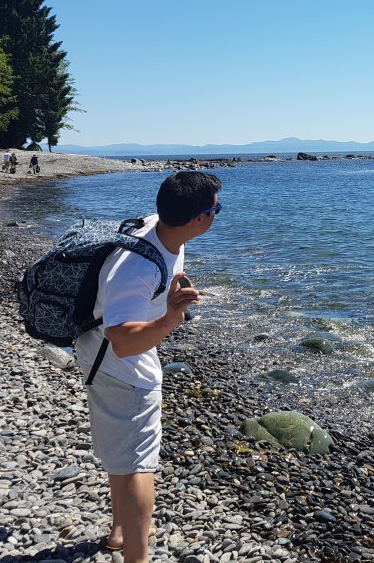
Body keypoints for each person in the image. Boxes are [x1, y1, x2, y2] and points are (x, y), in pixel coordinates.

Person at [74, 171, 222, 563]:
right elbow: (122, 340)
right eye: (216, 209)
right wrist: (169, 320)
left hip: (98, 356)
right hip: (120, 368)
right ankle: (136, 556)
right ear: (200, 219)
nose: (217, 214)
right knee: (139, 461)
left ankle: (121, 531)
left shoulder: (157, 226)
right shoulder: (139, 268)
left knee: (121, 451)